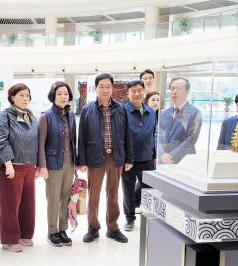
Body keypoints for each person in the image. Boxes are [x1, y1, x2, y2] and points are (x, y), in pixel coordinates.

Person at [78, 73, 133, 244]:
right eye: (101, 86)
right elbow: (81, 137)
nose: (105, 89)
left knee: (113, 194)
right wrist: (82, 161)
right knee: (93, 195)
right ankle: (93, 227)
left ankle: (113, 228)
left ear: (112, 88)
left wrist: (129, 158)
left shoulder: (120, 109)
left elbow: (127, 135)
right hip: (95, 157)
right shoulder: (87, 110)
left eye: (108, 86)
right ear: (95, 88)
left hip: (115, 157)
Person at [0, 83, 39, 252]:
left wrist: (37, 164)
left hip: (29, 166)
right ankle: (9, 239)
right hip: (12, 166)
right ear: (12, 97)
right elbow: (0, 141)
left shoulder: (32, 117)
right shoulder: (5, 116)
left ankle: (25, 234)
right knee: (10, 204)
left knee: (28, 203)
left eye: (27, 95)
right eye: (21, 95)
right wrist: (8, 163)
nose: (25, 98)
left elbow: (37, 141)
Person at [38, 81, 77, 247]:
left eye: (66, 94)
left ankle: (62, 229)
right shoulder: (45, 116)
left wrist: (76, 163)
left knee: (66, 197)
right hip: (53, 164)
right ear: (53, 96)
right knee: (53, 199)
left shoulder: (71, 115)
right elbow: (41, 143)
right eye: (59, 93)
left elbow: (73, 141)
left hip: (69, 163)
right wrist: (42, 166)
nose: (63, 97)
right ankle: (52, 231)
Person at [121, 80, 156, 231]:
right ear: (128, 93)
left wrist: (155, 155)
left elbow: (154, 135)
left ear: (144, 92)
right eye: (133, 91)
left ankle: (152, 218)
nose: (137, 94)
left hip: (148, 157)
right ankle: (129, 219)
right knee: (128, 190)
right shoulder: (122, 111)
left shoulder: (151, 112)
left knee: (150, 190)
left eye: (139, 90)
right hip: (128, 160)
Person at [157, 78, 202, 165]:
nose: (174, 91)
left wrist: (171, 157)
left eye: (178, 88)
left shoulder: (195, 113)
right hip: (163, 160)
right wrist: (162, 154)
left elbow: (191, 138)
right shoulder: (164, 113)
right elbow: (157, 135)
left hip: (183, 161)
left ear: (187, 92)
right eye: (172, 88)